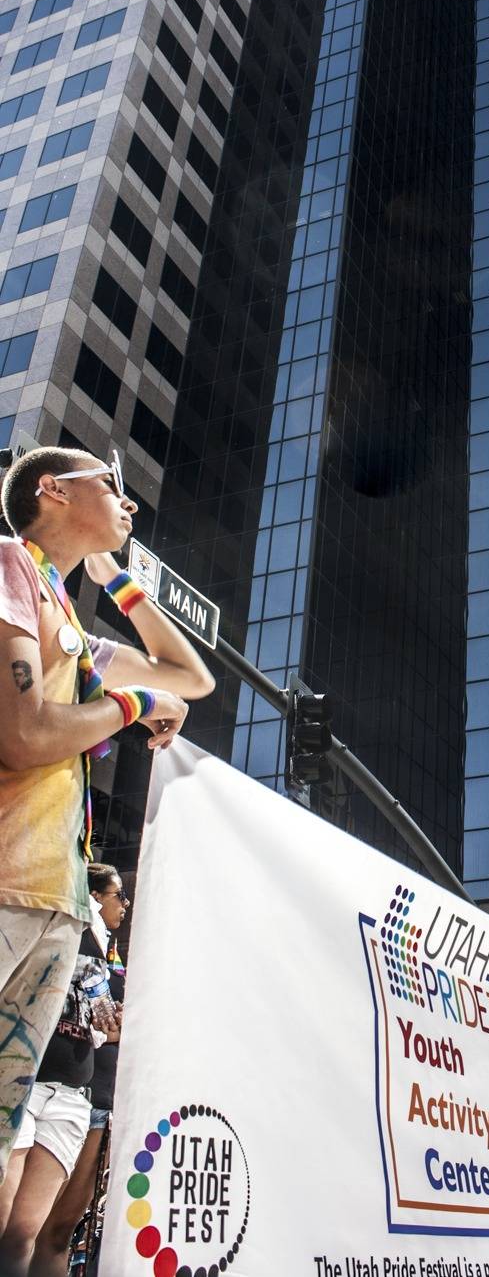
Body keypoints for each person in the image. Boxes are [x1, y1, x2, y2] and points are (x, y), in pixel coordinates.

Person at [0, 444, 214, 1181]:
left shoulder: (68, 620)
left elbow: (189, 678)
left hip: (55, 907)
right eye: (111, 484)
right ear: (54, 490)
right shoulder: (11, 565)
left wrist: (118, 582)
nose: (129, 501)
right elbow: (26, 734)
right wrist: (132, 703)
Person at [0, 857, 123, 1277]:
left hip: (72, 1098)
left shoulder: (104, 949)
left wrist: (113, 1024)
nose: (124, 904)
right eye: (118, 895)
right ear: (92, 896)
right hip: (23, 1082)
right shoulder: (48, 920)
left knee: (23, 1234)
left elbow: (99, 1026)